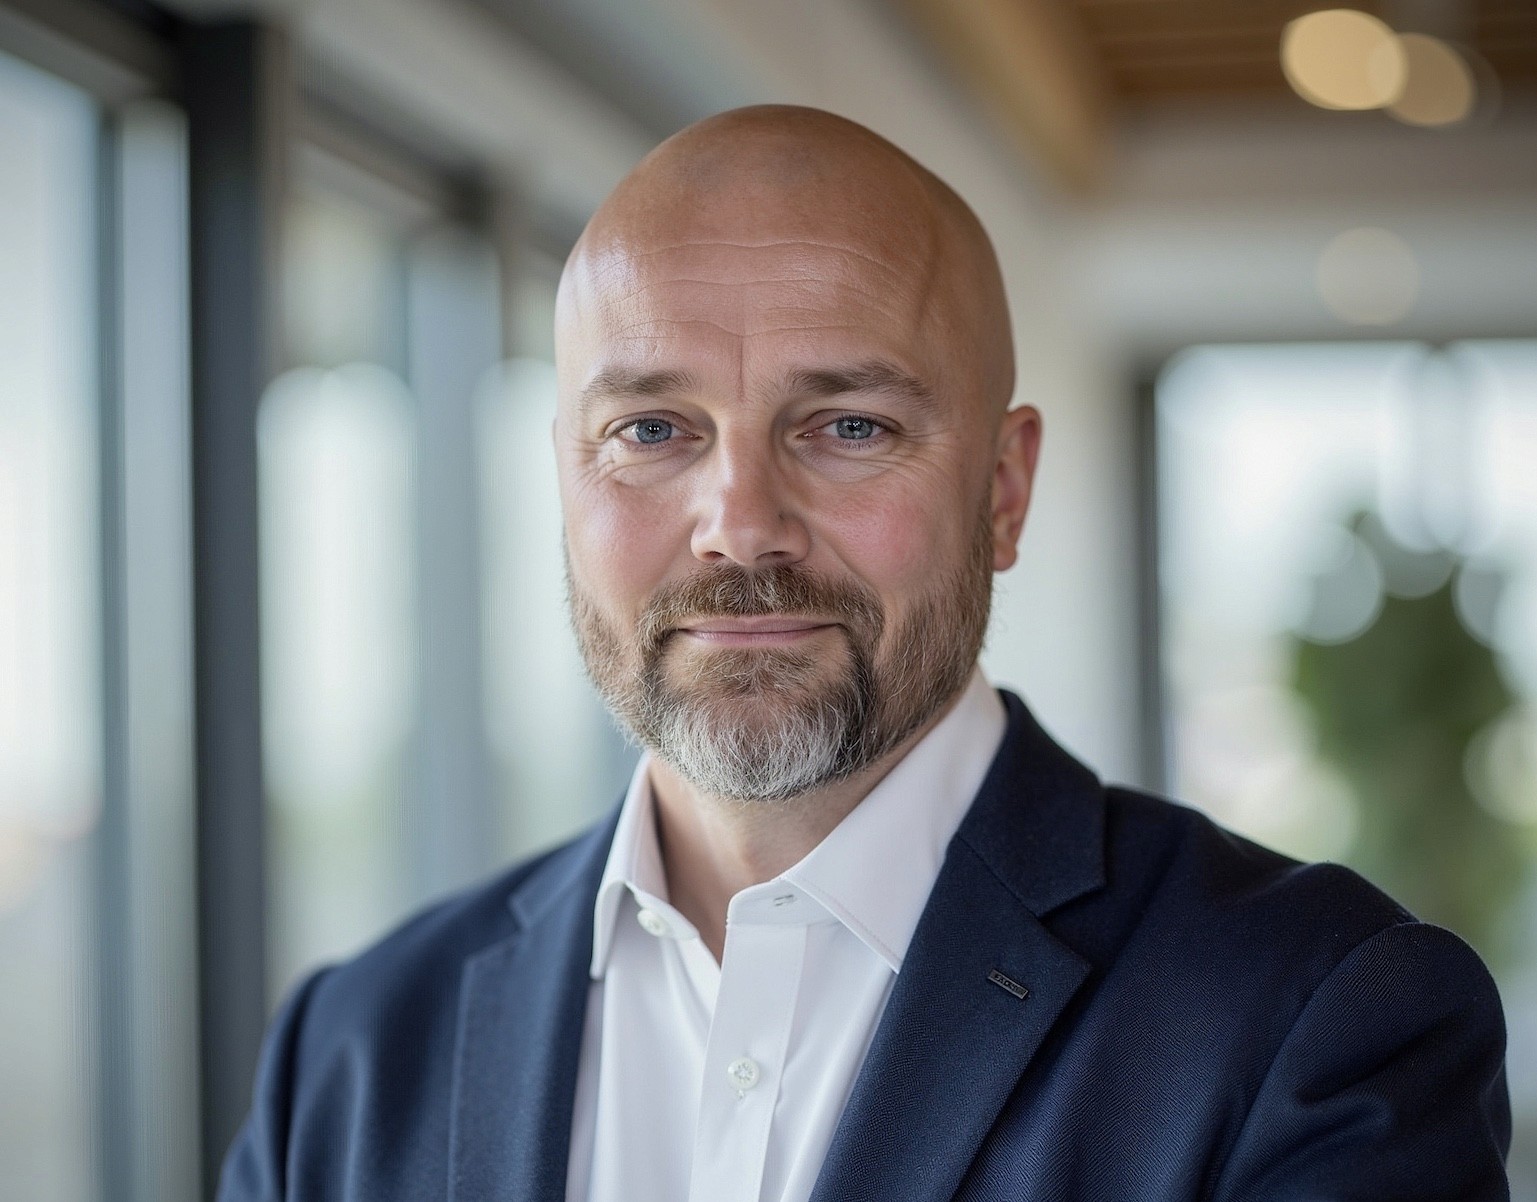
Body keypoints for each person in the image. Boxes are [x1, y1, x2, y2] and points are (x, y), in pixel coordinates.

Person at [219, 106, 1511, 1202]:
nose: (740, 525)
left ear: (1002, 492)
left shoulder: (1314, 1021)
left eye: (844, 424)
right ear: (567, 477)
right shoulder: (349, 1052)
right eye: (654, 428)